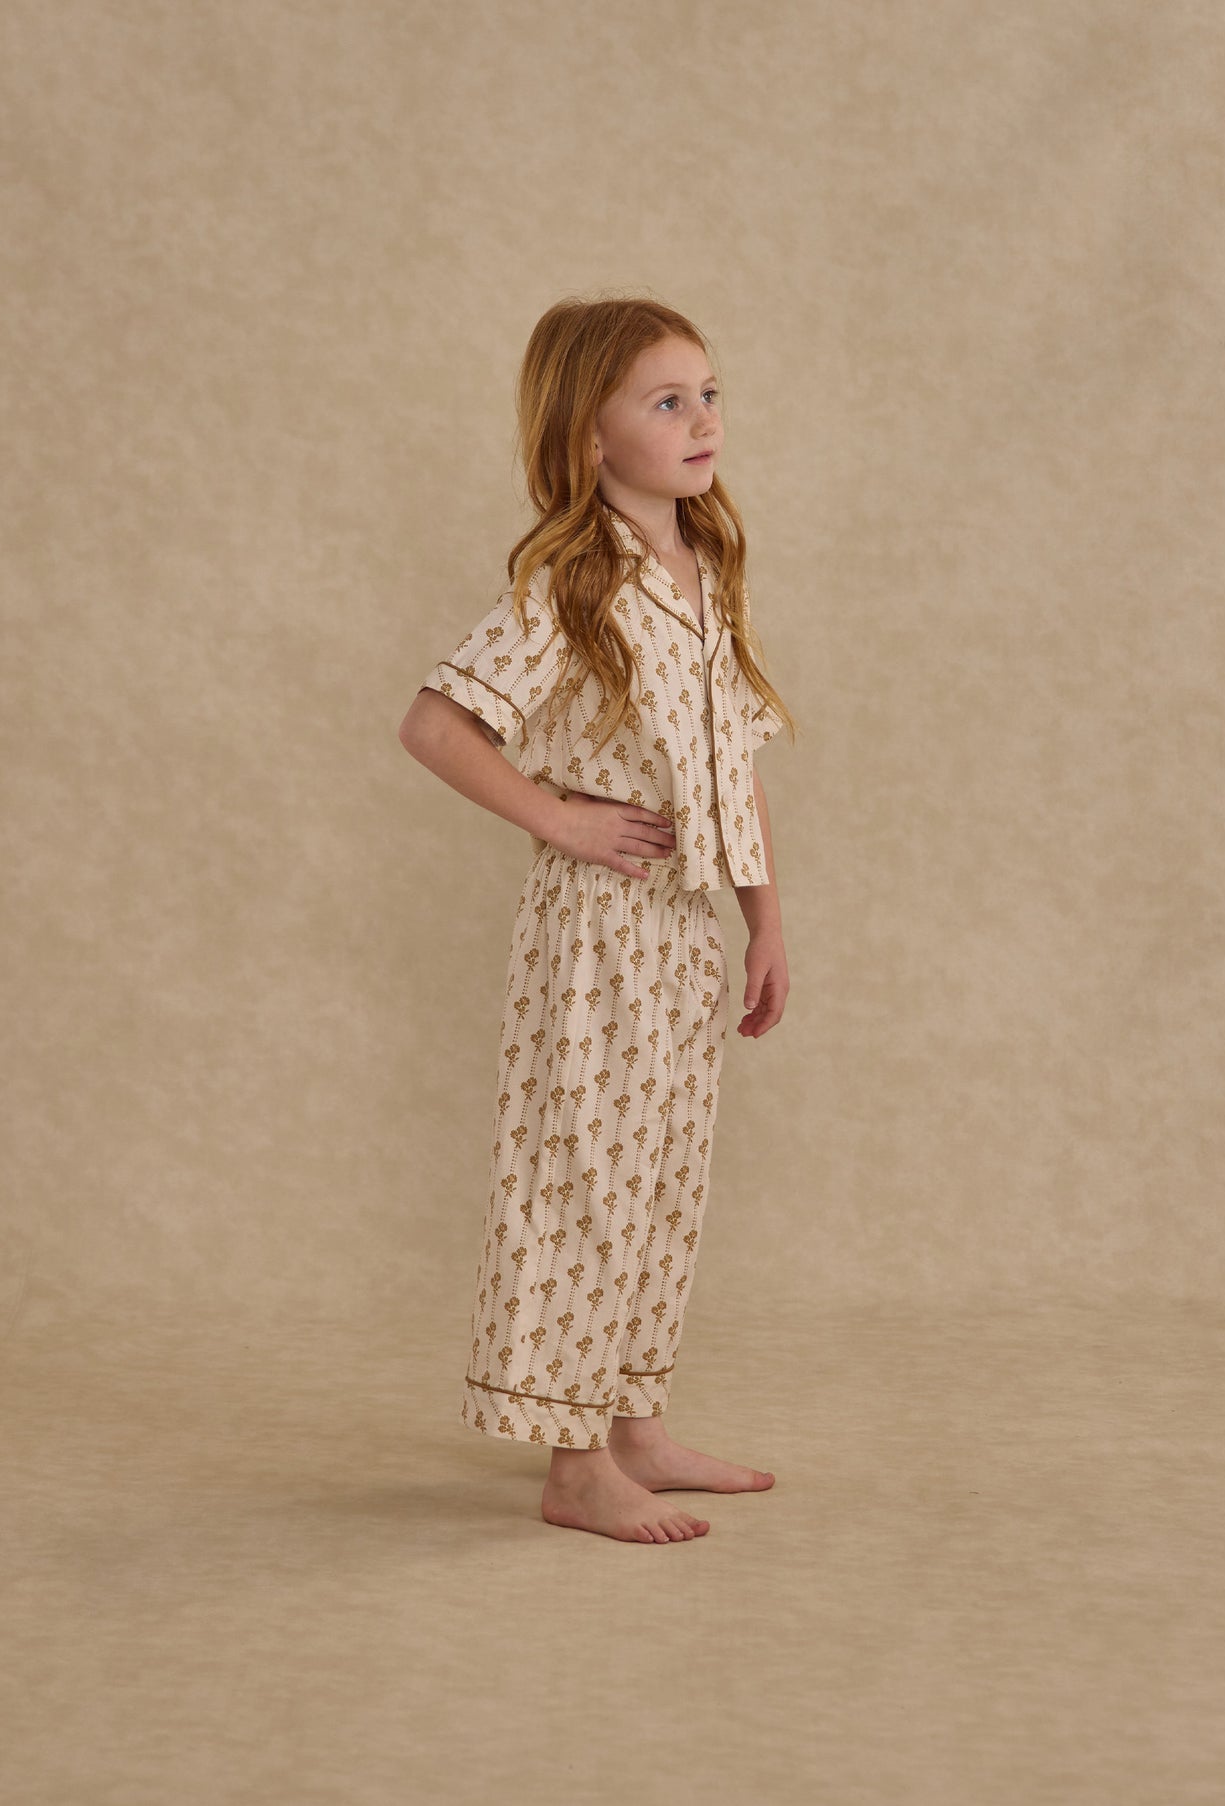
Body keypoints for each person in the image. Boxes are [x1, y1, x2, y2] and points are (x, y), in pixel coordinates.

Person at [398, 295, 796, 1545]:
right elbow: (435, 726)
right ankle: (571, 1464)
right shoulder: (571, 583)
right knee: (584, 1180)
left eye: (708, 394)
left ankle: (634, 1426)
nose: (700, 420)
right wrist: (557, 821)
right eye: (665, 402)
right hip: (596, 933)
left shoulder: (704, 570)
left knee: (665, 1178)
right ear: (588, 434)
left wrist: (764, 920)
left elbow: (734, 763)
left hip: (686, 930)